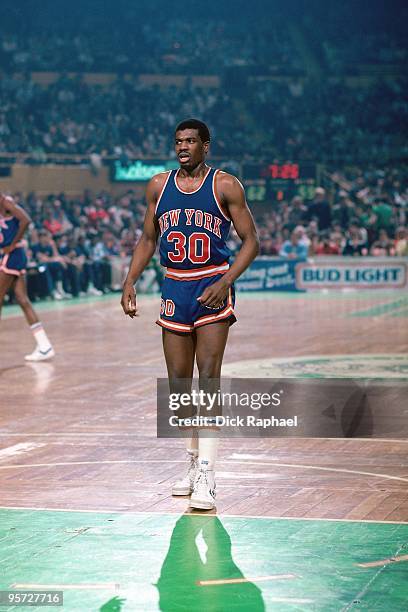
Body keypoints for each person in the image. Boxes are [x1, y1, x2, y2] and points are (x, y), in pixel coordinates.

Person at [121, 119, 259, 511]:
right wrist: (130, 280)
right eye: (178, 141)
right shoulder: (157, 186)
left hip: (212, 285)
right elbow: (148, 238)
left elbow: (252, 241)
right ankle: (193, 462)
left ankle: (208, 475)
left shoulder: (225, 185)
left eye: (190, 141)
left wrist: (227, 280)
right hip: (174, 286)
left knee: (208, 377)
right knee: (179, 390)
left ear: (206, 146)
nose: (183, 147)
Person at [0, 193, 55, 361]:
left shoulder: (6, 202)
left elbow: (26, 220)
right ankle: (44, 345)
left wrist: (12, 243)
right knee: (22, 299)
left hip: (13, 254)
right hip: (14, 255)